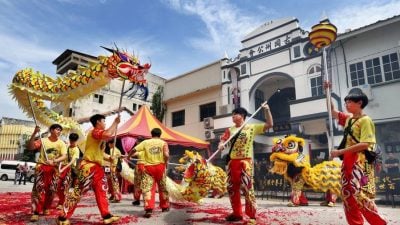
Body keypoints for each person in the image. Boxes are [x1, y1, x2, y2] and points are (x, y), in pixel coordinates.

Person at [325, 81, 387, 225]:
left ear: (359, 103)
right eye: (345, 102)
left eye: (349, 102)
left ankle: (378, 221)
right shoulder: (348, 119)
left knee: (359, 194)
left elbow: (365, 144)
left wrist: (340, 151)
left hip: (361, 162)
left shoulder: (366, 121)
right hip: (347, 161)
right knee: (347, 196)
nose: (346, 105)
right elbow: (332, 112)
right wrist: (327, 92)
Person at [57, 114, 121, 225]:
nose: (105, 123)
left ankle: (106, 215)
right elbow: (108, 134)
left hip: (97, 168)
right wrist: (115, 123)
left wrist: (109, 158)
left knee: (102, 191)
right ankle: (63, 217)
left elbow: (100, 153)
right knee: (78, 191)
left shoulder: (99, 136)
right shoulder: (94, 132)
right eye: (103, 121)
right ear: (97, 122)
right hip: (88, 167)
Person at [217, 102, 273, 223]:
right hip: (232, 163)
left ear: (242, 115)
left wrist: (267, 110)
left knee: (247, 188)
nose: (232, 117)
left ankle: (252, 215)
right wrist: (221, 144)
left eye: (234, 114)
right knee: (232, 188)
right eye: (232, 115)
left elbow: (269, 124)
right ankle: (237, 213)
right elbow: (223, 140)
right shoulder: (230, 130)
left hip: (245, 162)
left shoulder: (251, 127)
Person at [28, 124, 67, 222]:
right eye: (57, 130)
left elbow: (64, 156)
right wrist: (34, 133)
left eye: (60, 130)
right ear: (51, 130)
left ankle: (46, 207)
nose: (59, 132)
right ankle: (36, 212)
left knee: (51, 190)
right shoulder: (43, 140)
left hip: (54, 169)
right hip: (42, 167)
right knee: (38, 189)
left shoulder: (61, 143)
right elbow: (31, 147)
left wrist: (54, 161)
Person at [131, 128, 170, 218]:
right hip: (160, 167)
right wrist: (166, 163)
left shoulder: (145, 142)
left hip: (148, 168)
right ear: (160, 134)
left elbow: (133, 150)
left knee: (148, 188)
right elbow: (166, 155)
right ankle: (165, 207)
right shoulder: (163, 143)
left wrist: (128, 156)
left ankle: (149, 209)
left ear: (151, 134)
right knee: (162, 187)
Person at [56, 133, 80, 209]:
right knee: (57, 185)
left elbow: (72, 162)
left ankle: (62, 202)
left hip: (69, 169)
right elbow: (61, 156)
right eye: (71, 140)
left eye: (74, 141)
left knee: (65, 186)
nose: (72, 142)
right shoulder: (66, 147)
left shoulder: (76, 150)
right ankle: (62, 200)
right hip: (62, 168)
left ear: (76, 140)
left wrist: (63, 168)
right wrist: (60, 167)